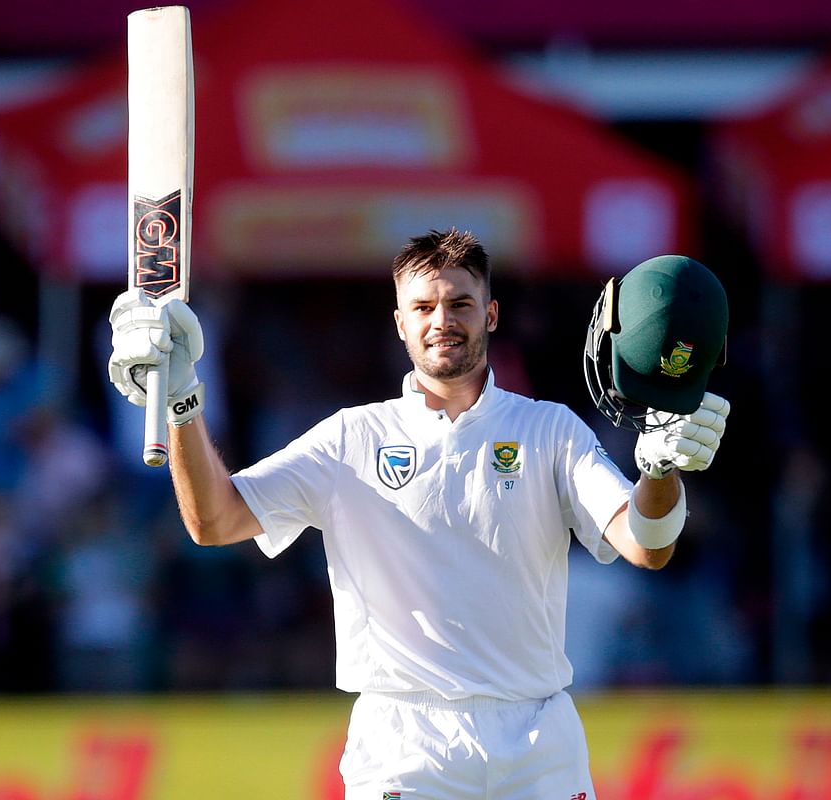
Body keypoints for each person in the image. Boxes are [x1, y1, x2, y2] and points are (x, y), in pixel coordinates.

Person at [108, 229, 730, 799]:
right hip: (405, 744)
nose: (443, 321)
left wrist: (660, 468)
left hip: (538, 738)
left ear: (490, 314)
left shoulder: (550, 429)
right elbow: (214, 521)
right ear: (400, 322)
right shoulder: (350, 438)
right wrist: (183, 403)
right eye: (425, 307)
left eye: (460, 304)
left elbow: (647, 543)